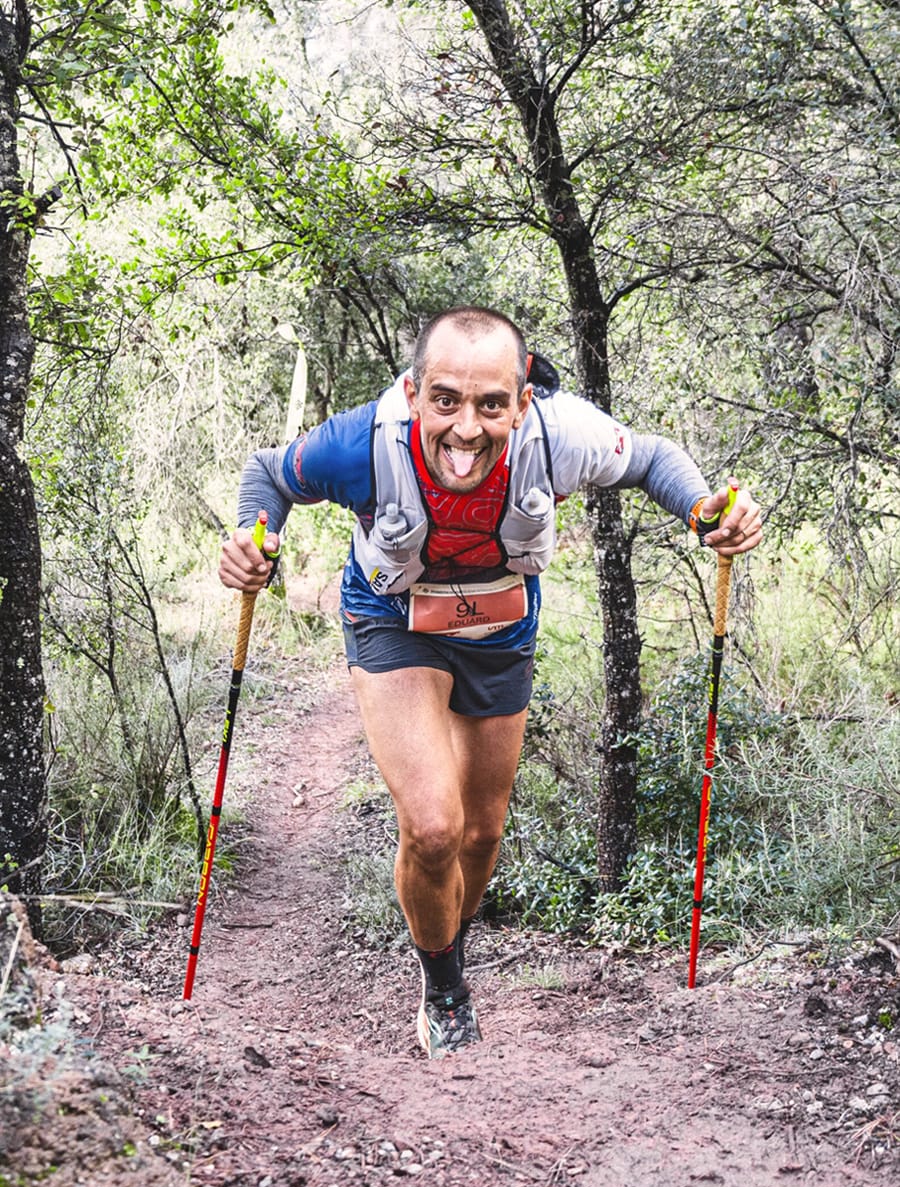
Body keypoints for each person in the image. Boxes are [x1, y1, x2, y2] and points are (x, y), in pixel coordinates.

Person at [219, 306, 762, 1060]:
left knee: (481, 834)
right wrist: (253, 538)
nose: (466, 429)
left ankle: (448, 943)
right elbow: (268, 473)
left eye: (490, 405)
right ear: (413, 394)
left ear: (522, 401)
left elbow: (650, 458)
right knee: (435, 826)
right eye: (445, 400)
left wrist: (704, 511)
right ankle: (444, 991)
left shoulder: (560, 435)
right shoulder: (360, 446)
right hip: (393, 619)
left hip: (501, 628)